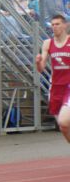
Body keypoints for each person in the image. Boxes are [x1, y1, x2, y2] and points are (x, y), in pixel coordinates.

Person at [37, 13, 70, 142]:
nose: (54, 27)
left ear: (65, 25)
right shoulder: (47, 43)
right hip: (56, 88)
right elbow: (41, 68)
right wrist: (38, 62)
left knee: (63, 120)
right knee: (63, 127)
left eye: (58, 24)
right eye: (53, 25)